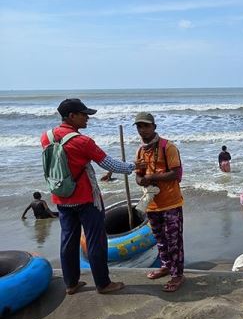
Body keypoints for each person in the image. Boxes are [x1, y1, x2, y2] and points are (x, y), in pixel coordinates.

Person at [41, 98, 144, 295]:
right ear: (72, 116)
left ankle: (71, 283)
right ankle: (103, 284)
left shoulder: (46, 137)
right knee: (96, 240)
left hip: (61, 197)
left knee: (68, 240)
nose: (87, 118)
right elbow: (109, 165)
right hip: (86, 200)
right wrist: (133, 166)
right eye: (83, 114)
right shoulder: (83, 141)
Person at [134, 112, 185, 292]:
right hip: (152, 203)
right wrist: (142, 180)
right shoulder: (140, 150)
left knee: (174, 241)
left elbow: (176, 174)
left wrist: (152, 176)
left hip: (171, 202)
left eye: (146, 126)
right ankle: (165, 266)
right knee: (159, 239)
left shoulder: (167, 147)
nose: (143, 130)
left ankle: (177, 274)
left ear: (154, 127)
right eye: (139, 126)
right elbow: (138, 178)